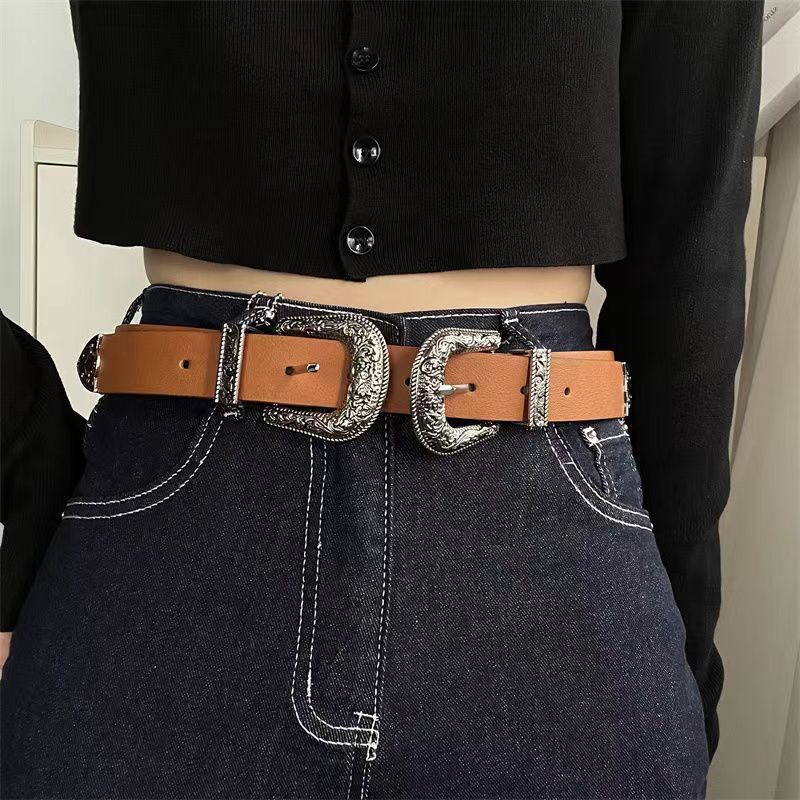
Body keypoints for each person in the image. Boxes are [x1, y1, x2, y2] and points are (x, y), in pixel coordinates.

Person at [1, 2, 764, 798]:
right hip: (168, 551)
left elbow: (692, 251)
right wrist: (25, 448)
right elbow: (691, 247)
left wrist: (678, 638)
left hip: (552, 563)